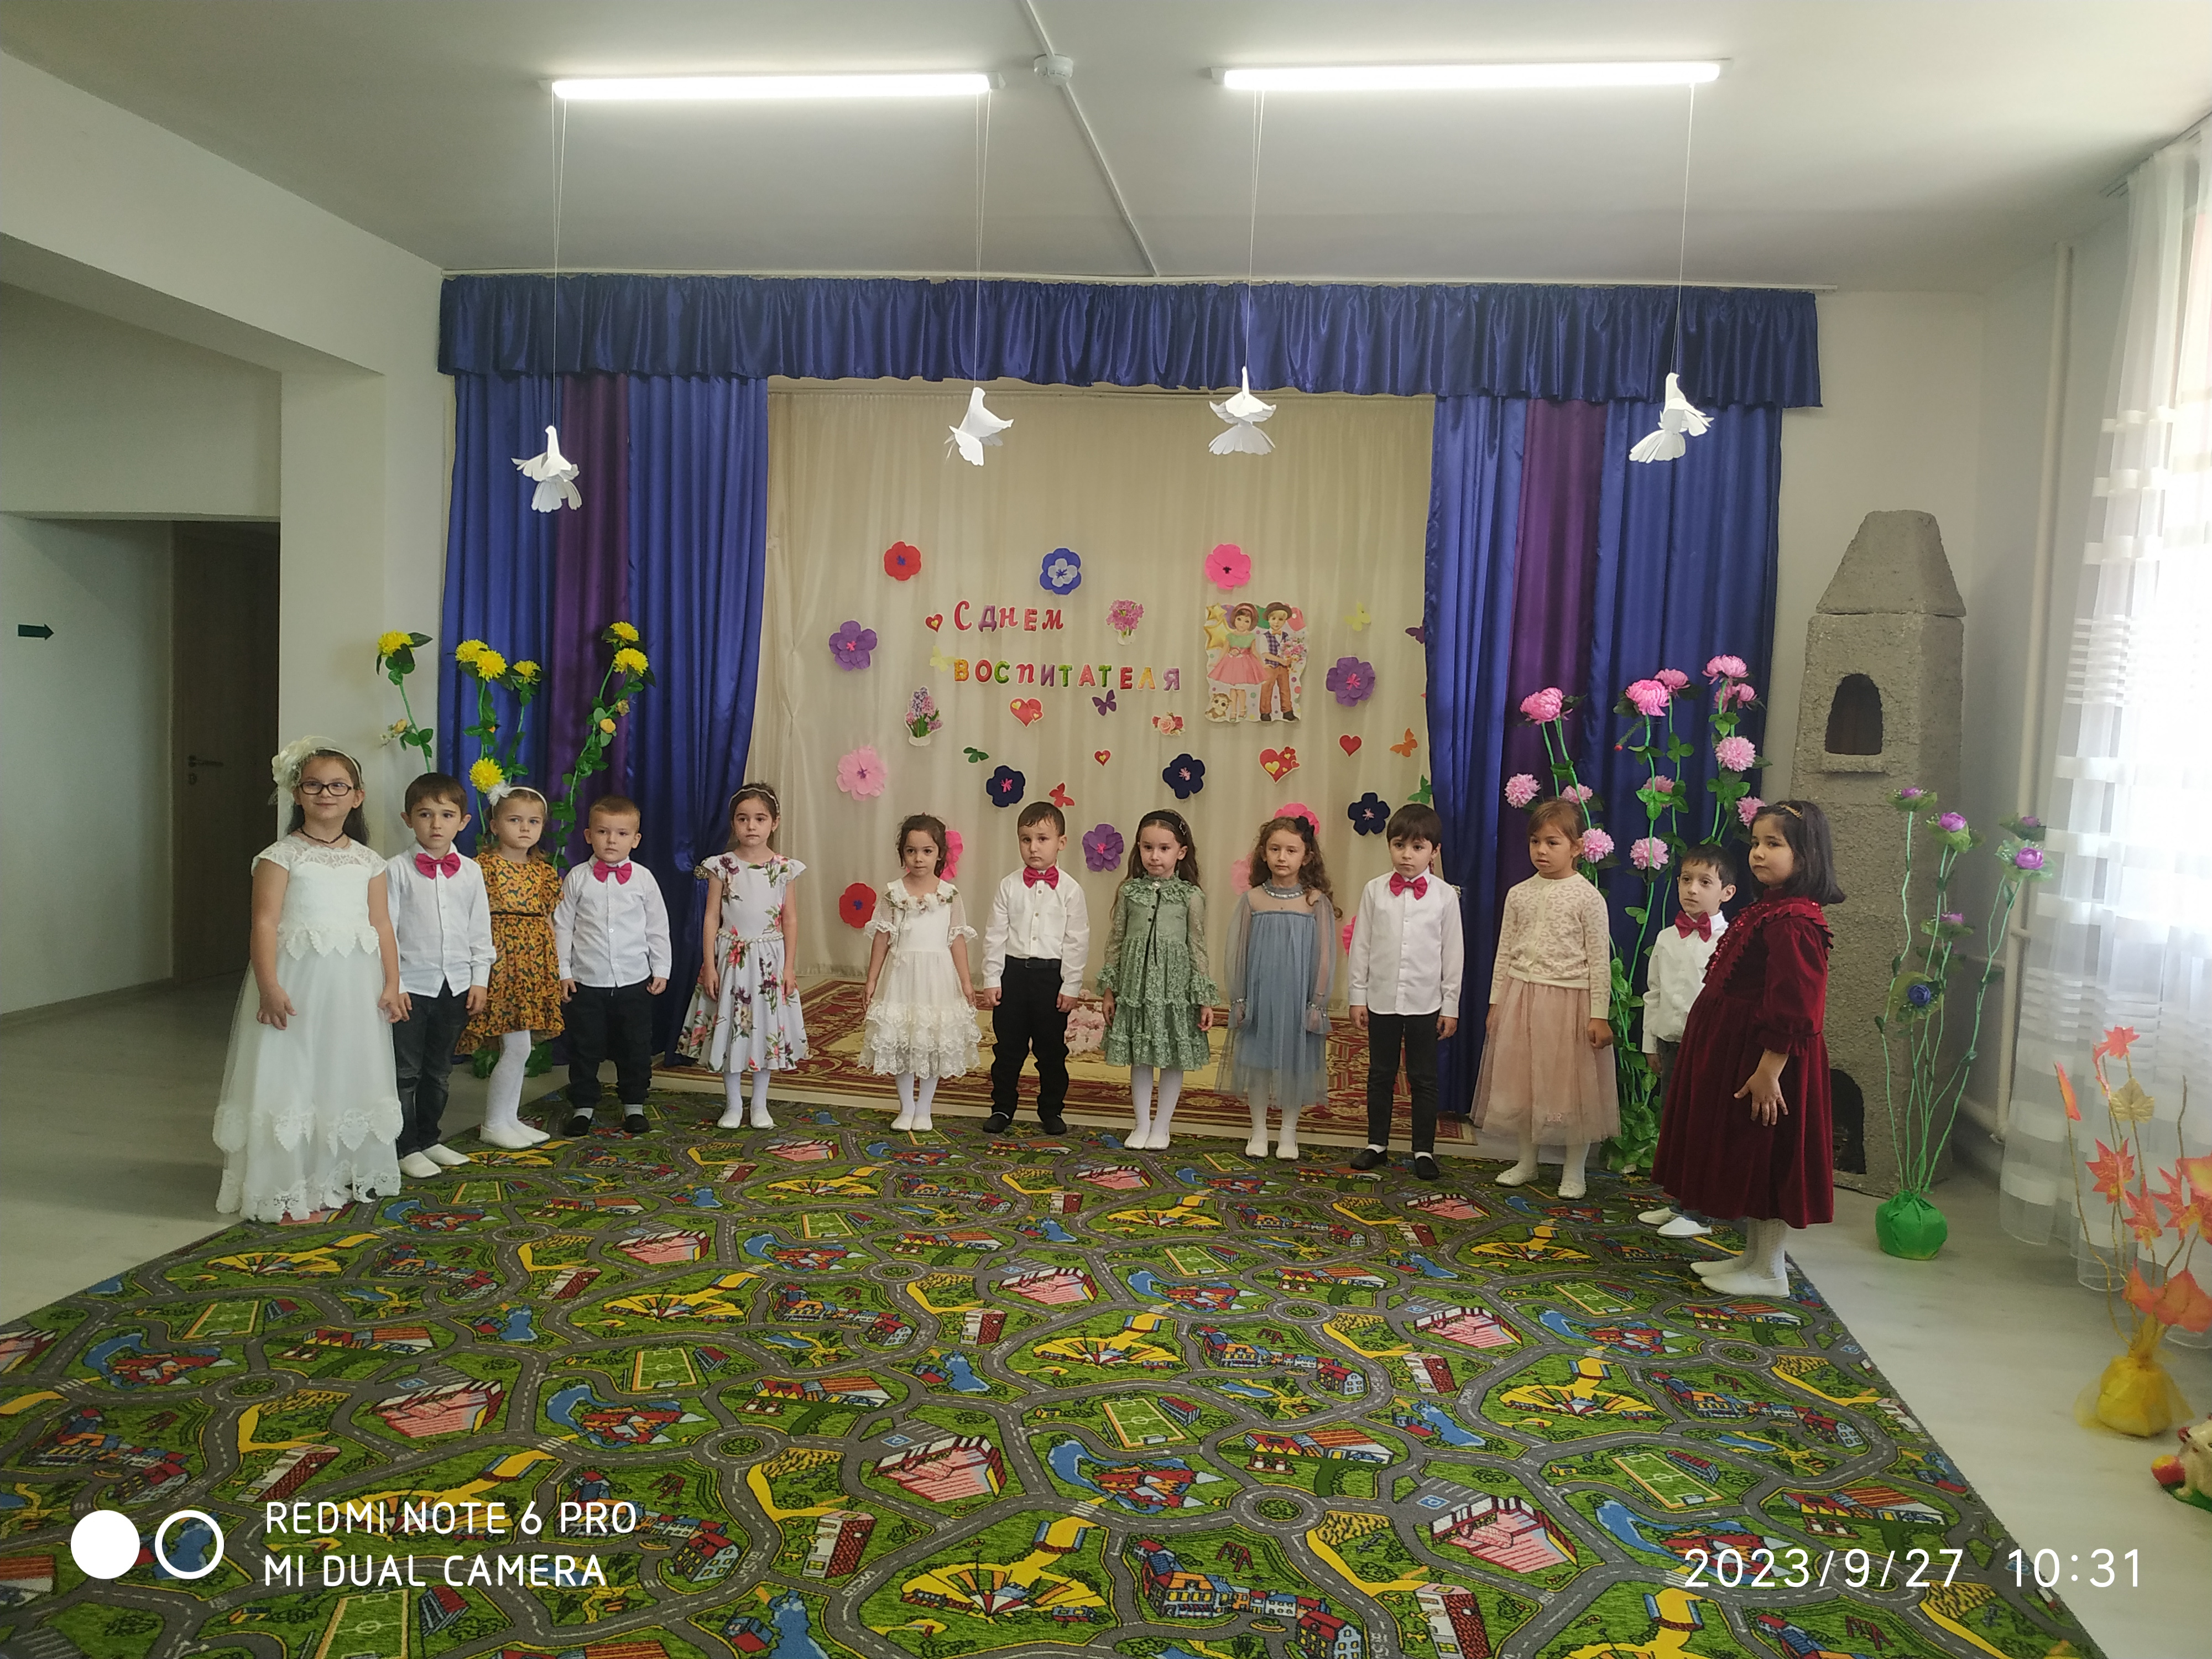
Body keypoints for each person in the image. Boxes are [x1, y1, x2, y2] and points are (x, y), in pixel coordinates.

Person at [1654, 801, 1844, 1296]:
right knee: (1751, 1159)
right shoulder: (1770, 909)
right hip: (1743, 1052)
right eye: (1756, 842)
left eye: (1773, 844)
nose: (1758, 853)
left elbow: (1797, 1007)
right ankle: (1754, 1258)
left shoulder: (1795, 921)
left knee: (1768, 1159)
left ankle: (1770, 1271)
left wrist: (1769, 1070)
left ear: (1806, 854)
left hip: (1768, 1062)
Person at [213, 739, 405, 1222]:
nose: (326, 794)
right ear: (297, 794)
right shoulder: (280, 857)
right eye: (314, 785)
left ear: (357, 797)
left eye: (338, 786)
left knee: (342, 1072)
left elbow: (382, 925)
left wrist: (392, 983)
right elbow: (264, 923)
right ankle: (282, 1188)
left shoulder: (369, 861)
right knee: (292, 1074)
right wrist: (269, 986)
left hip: (354, 987)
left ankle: (330, 1178)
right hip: (297, 982)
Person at [1474, 796, 1617, 1199]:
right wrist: (1496, 1002)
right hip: (1521, 995)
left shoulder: (1589, 898)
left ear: (1577, 847)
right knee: (1524, 1083)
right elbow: (1505, 951)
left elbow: (1599, 962)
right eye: (1535, 841)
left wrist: (1599, 1014)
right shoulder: (1518, 894)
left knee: (1570, 1087)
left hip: (1569, 1002)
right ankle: (1527, 1161)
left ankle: (1574, 1170)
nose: (1541, 850)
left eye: (1553, 842)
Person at [678, 782, 806, 1131]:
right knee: (731, 1029)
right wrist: (709, 964)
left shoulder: (784, 869)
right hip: (731, 958)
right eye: (743, 818)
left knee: (764, 1029)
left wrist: (789, 967)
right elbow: (711, 917)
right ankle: (733, 1103)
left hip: (769, 960)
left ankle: (760, 1104)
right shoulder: (721, 866)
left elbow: (790, 919)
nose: (751, 826)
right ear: (733, 823)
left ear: (774, 823)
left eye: (760, 819)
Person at [385, 772, 494, 1178]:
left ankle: (430, 1138)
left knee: (440, 1070)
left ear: (463, 821)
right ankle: (405, 1146)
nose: (436, 824)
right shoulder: (394, 870)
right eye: (425, 814)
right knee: (406, 1072)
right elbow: (386, 932)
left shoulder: (471, 872)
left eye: (446, 815)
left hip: (456, 986)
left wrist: (479, 979)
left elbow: (479, 930)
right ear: (407, 819)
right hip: (411, 988)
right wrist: (394, 985)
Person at [1348, 803, 1463, 1180]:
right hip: (1381, 999)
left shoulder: (1445, 896)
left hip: (1425, 1002)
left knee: (1423, 1078)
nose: (1407, 855)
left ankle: (1423, 1150)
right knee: (1380, 1074)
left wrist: (1450, 1005)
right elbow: (1362, 946)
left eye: (1417, 847)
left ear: (1435, 851)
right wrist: (1357, 996)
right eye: (1399, 846)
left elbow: (1453, 953)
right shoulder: (1374, 891)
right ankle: (1376, 1144)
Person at [1098, 809, 1217, 1150]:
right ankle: (1141, 1124)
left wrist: (1204, 997)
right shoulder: (1129, 893)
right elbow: (1116, 941)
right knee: (1141, 1054)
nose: (1155, 856)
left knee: (1171, 1055)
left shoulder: (1191, 896)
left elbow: (1197, 947)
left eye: (1164, 848)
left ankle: (1162, 1126)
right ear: (1139, 848)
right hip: (1135, 988)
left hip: (1174, 990)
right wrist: (1110, 990)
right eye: (1148, 847)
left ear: (1181, 852)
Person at [1220, 815, 1337, 1160]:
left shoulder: (1315, 901)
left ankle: (1288, 1132)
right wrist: (1240, 998)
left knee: (1294, 1065)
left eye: (1291, 850)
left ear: (1307, 856)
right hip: (1260, 996)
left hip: (1297, 998)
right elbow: (1238, 952)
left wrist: (1317, 1002)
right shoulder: (1253, 900)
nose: (1282, 857)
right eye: (1275, 849)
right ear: (1263, 853)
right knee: (1258, 1063)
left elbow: (1325, 956)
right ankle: (1258, 1129)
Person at [1635, 844, 1736, 1237]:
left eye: (1705, 882)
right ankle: (1678, 1201)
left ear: (1726, 892)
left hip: (1709, 1050)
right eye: (1685, 880)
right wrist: (1651, 1043)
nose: (1692, 889)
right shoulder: (1666, 938)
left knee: (1702, 1130)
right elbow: (1654, 993)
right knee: (1674, 1127)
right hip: (1671, 1044)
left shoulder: (1730, 941)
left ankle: (1700, 1213)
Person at [555, 796, 670, 1136]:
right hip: (587, 980)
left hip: (634, 980)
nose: (611, 840)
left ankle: (634, 1104)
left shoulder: (644, 879)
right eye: (603, 832)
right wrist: (564, 971)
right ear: (588, 835)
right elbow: (563, 926)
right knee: (585, 1047)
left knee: (635, 1046)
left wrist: (661, 968)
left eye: (621, 834)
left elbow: (657, 926)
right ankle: (583, 1106)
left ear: (635, 839)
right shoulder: (577, 878)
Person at [860, 814, 980, 1131]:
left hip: (937, 978)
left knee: (931, 1041)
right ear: (902, 853)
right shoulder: (892, 893)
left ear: (940, 853)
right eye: (911, 851)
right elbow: (882, 938)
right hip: (901, 977)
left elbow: (956, 940)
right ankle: (906, 1107)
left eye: (927, 851)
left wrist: (966, 982)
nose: (919, 858)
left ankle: (925, 1107)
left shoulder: (950, 894)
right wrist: (872, 979)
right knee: (903, 1040)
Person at [458, 784, 562, 1149]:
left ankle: (509, 1118)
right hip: (501, 965)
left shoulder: (544, 873)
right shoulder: (482, 868)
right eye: (515, 820)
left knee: (521, 1048)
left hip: (534, 966)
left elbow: (548, 920)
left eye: (533, 822)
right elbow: (470, 919)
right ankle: (493, 1123)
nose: (525, 828)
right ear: (495, 824)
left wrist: (554, 968)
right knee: (515, 1047)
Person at [980, 801, 1089, 1136]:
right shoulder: (1008, 886)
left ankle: (1051, 1110)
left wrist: (1071, 986)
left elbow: (1077, 941)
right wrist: (992, 978)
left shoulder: (1071, 890)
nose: (1033, 847)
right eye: (1026, 839)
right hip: (1013, 975)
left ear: (1061, 842)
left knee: (1051, 1050)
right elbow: (995, 935)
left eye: (1042, 839)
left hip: (1050, 978)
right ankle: (1002, 1107)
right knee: (1007, 1049)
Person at [1207, 601, 1267, 721]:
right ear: (1234, 619)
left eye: (1247, 621)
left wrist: (1262, 664)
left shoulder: (1251, 636)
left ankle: (1242, 709)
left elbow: (1254, 651)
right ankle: (1233, 711)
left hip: (1245, 665)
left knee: (1240, 689)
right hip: (1232, 664)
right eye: (1239, 619)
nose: (1242, 624)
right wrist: (1218, 663)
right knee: (1233, 689)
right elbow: (1225, 650)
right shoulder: (1230, 636)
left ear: (1251, 623)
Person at [1256, 600, 1300, 722]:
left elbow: (1289, 650)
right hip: (1270, 667)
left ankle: (1287, 711)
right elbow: (1265, 653)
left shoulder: (1286, 636)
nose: (1276, 622)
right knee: (1267, 688)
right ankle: (1265, 713)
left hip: (1283, 668)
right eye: (1274, 619)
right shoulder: (1265, 636)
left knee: (1285, 689)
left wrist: (1290, 658)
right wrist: (1280, 660)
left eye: (1280, 620)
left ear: (1285, 622)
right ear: (1268, 620)